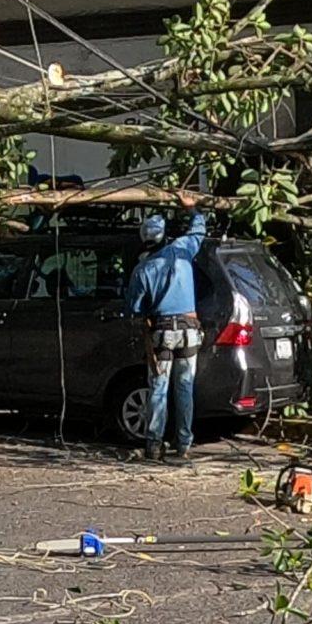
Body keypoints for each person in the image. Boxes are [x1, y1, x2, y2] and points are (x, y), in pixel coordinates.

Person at [124, 194, 208, 461]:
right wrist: (191, 207)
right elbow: (199, 228)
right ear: (165, 235)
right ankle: (183, 444)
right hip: (189, 329)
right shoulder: (182, 250)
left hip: (161, 332)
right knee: (185, 386)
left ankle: (154, 443)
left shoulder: (142, 270)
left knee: (159, 387)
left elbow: (135, 309)